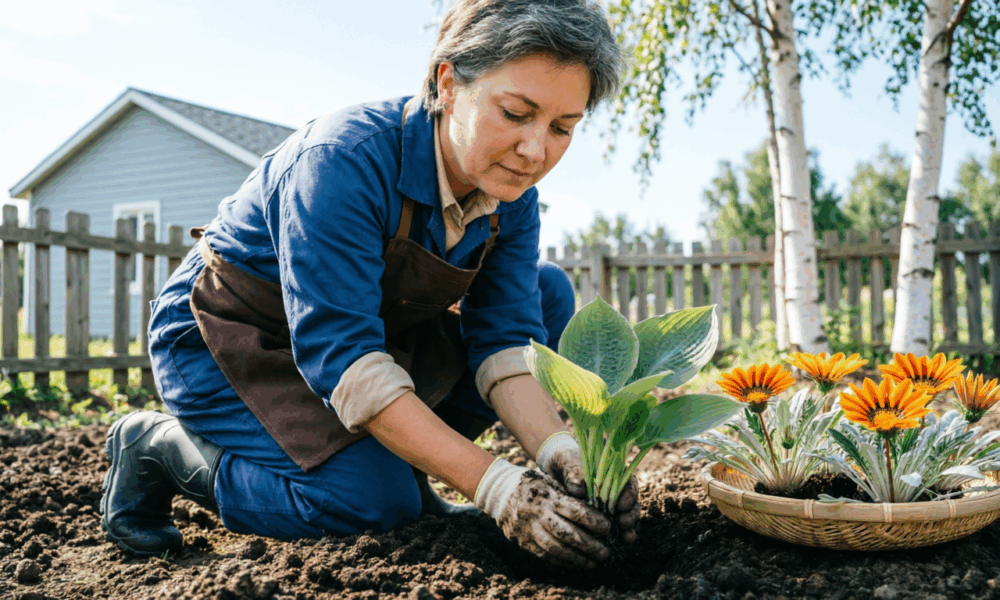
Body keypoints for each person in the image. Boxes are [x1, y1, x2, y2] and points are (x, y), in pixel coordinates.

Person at [100, 0, 637, 569]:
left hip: (367, 334)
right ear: (448, 83)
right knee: (370, 504)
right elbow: (347, 357)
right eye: (514, 113)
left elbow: (505, 339)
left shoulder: (510, 192)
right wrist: (497, 487)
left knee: (546, 294)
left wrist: (559, 449)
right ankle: (158, 450)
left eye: (561, 127)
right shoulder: (341, 160)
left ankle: (407, 479)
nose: (535, 151)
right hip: (233, 338)